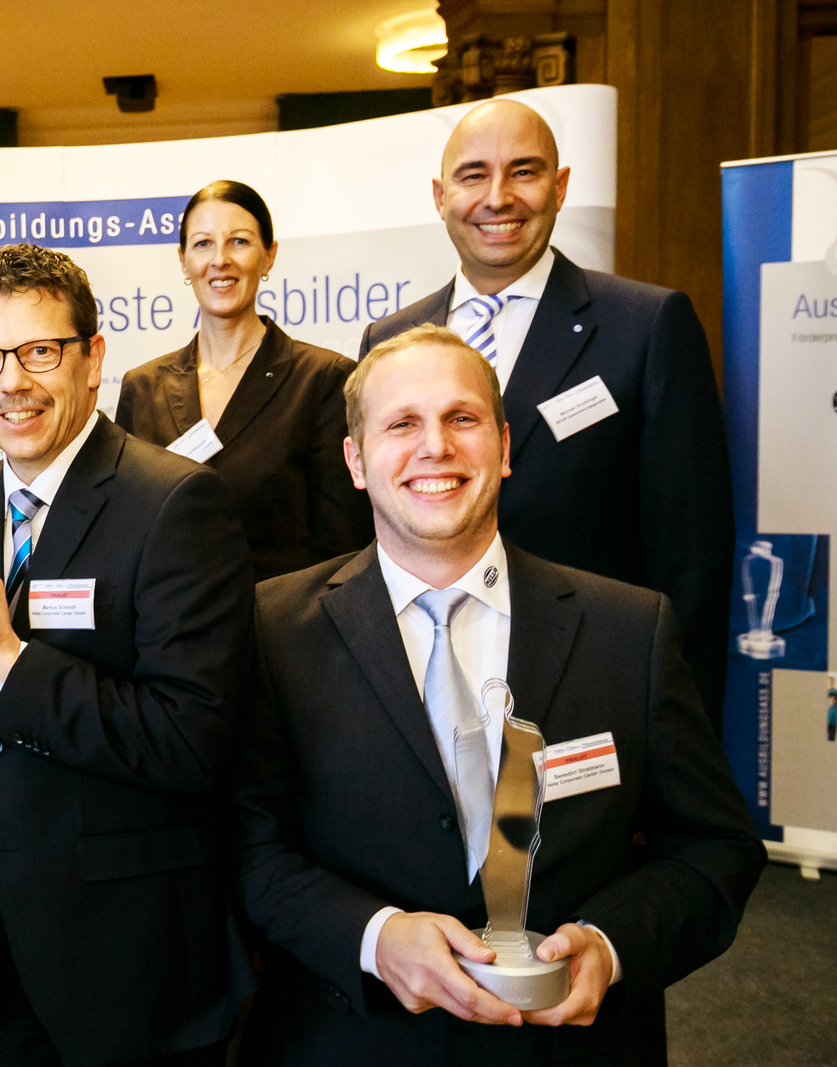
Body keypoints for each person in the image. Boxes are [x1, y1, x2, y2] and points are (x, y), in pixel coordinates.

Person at [231, 324, 765, 1065]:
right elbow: (247, 847)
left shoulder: (628, 629)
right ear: (355, 460)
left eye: (462, 418)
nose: (435, 447)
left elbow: (715, 848)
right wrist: (375, 936)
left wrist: (610, 946)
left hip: (573, 1046)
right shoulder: (269, 628)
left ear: (505, 447)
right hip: (353, 1040)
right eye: (402, 424)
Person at [0, 243, 256, 1066]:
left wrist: (12, 658)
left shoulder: (176, 502)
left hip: (128, 969)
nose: (11, 382)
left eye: (39, 351)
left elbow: (192, 740)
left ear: (93, 357)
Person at [358, 98, 734, 736]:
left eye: (524, 172)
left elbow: (692, 555)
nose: (497, 197)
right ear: (440, 196)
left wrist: (676, 728)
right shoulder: (389, 339)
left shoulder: (646, 326)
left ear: (559, 188)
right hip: (423, 686)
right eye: (473, 175)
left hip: (595, 685)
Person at [116, 181, 372, 580]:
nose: (220, 260)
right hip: (168, 615)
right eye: (203, 244)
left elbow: (343, 549)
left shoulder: (323, 380)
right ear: (183, 260)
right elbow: (126, 531)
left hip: (281, 615)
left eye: (239, 242)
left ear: (268, 256)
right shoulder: (143, 387)